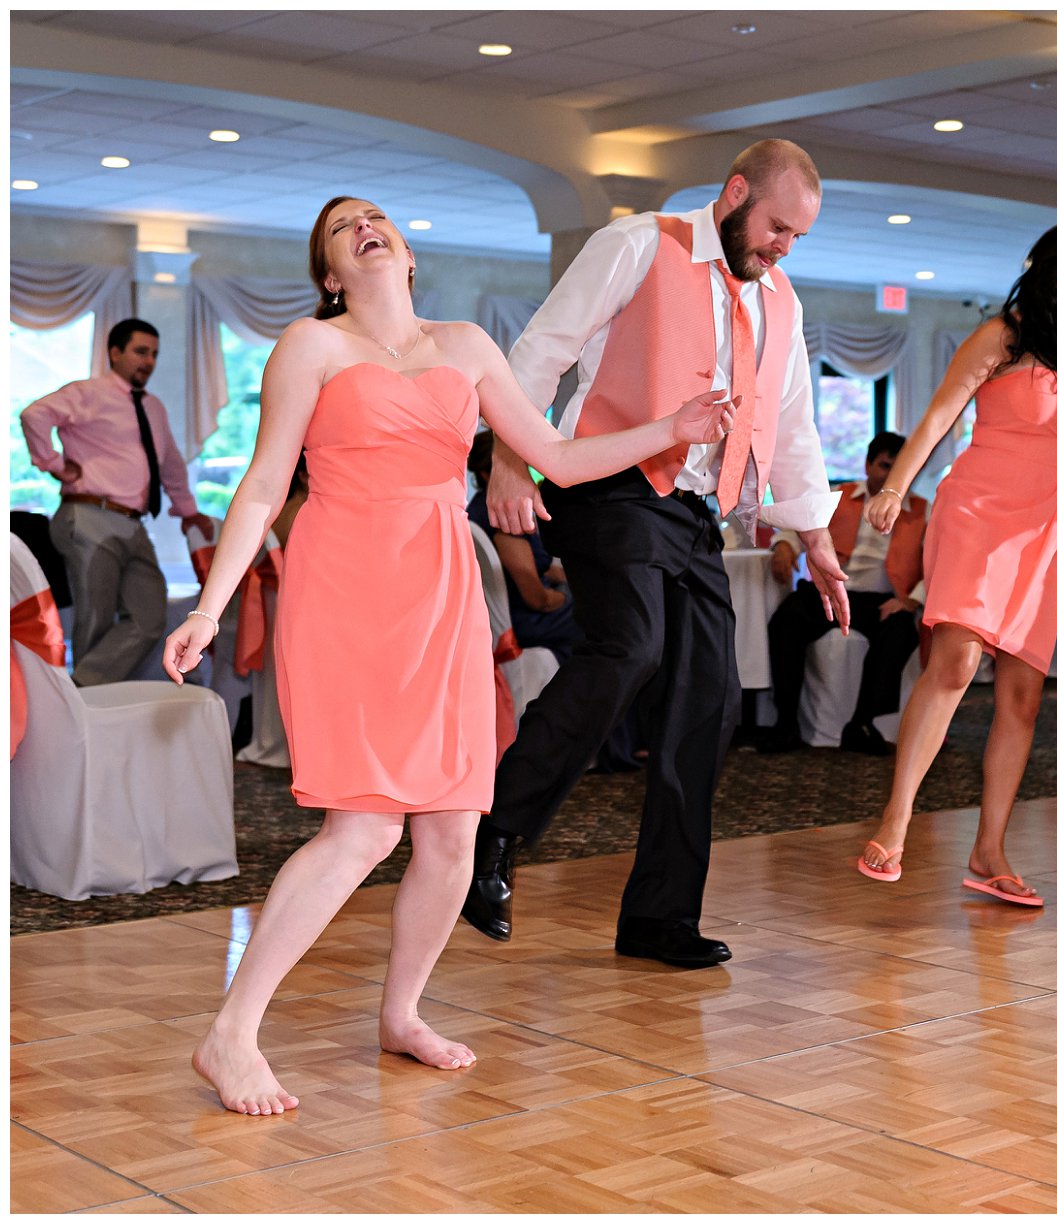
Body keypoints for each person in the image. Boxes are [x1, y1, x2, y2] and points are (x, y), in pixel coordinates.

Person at [160, 195, 734, 1116]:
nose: (364, 228)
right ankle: (231, 1035)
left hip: (443, 590)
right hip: (345, 586)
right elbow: (266, 485)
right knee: (363, 828)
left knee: (454, 827)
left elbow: (554, 454)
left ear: (408, 251)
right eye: (342, 229)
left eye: (376, 217)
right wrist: (211, 608)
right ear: (329, 275)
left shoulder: (466, 344)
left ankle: (402, 1014)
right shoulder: (312, 349)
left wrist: (673, 429)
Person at [463, 139, 846, 964]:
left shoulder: (780, 302)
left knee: (710, 700)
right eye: (778, 226)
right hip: (604, 480)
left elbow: (794, 429)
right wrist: (506, 456)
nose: (783, 246)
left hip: (692, 508)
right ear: (736, 192)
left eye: (797, 237)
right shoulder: (638, 244)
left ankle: (658, 918)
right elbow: (541, 351)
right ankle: (493, 831)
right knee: (629, 647)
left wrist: (815, 536)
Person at [855, 220, 1057, 904]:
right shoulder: (1000, 336)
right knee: (956, 661)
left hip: (1042, 530)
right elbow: (939, 415)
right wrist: (896, 487)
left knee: (1023, 694)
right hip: (978, 510)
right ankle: (894, 824)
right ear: (1049, 275)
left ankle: (989, 853)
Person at [21, 319, 214, 684]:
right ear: (115, 352)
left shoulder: (153, 407)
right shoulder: (89, 392)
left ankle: (82, 690)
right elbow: (34, 415)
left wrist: (188, 512)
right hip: (89, 514)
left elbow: (170, 462)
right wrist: (54, 464)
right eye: (141, 351)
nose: (149, 361)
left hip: (133, 522)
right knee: (96, 617)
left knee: (150, 616)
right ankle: (86, 710)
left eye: (154, 354)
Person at [762, 430, 926, 755]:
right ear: (867, 465)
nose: (889, 475)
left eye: (898, 468)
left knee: (901, 632)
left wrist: (911, 600)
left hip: (881, 600)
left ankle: (862, 724)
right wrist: (782, 545)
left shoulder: (923, 510)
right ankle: (786, 723)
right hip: (829, 591)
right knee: (786, 620)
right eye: (883, 466)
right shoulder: (840, 495)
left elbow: (937, 561)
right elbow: (799, 529)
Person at [466, 430, 583, 662]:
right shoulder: (506, 518)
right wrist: (573, 597)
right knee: (608, 621)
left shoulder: (477, 509)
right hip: (527, 620)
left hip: (504, 615)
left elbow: (531, 567)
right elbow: (537, 598)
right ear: (490, 473)